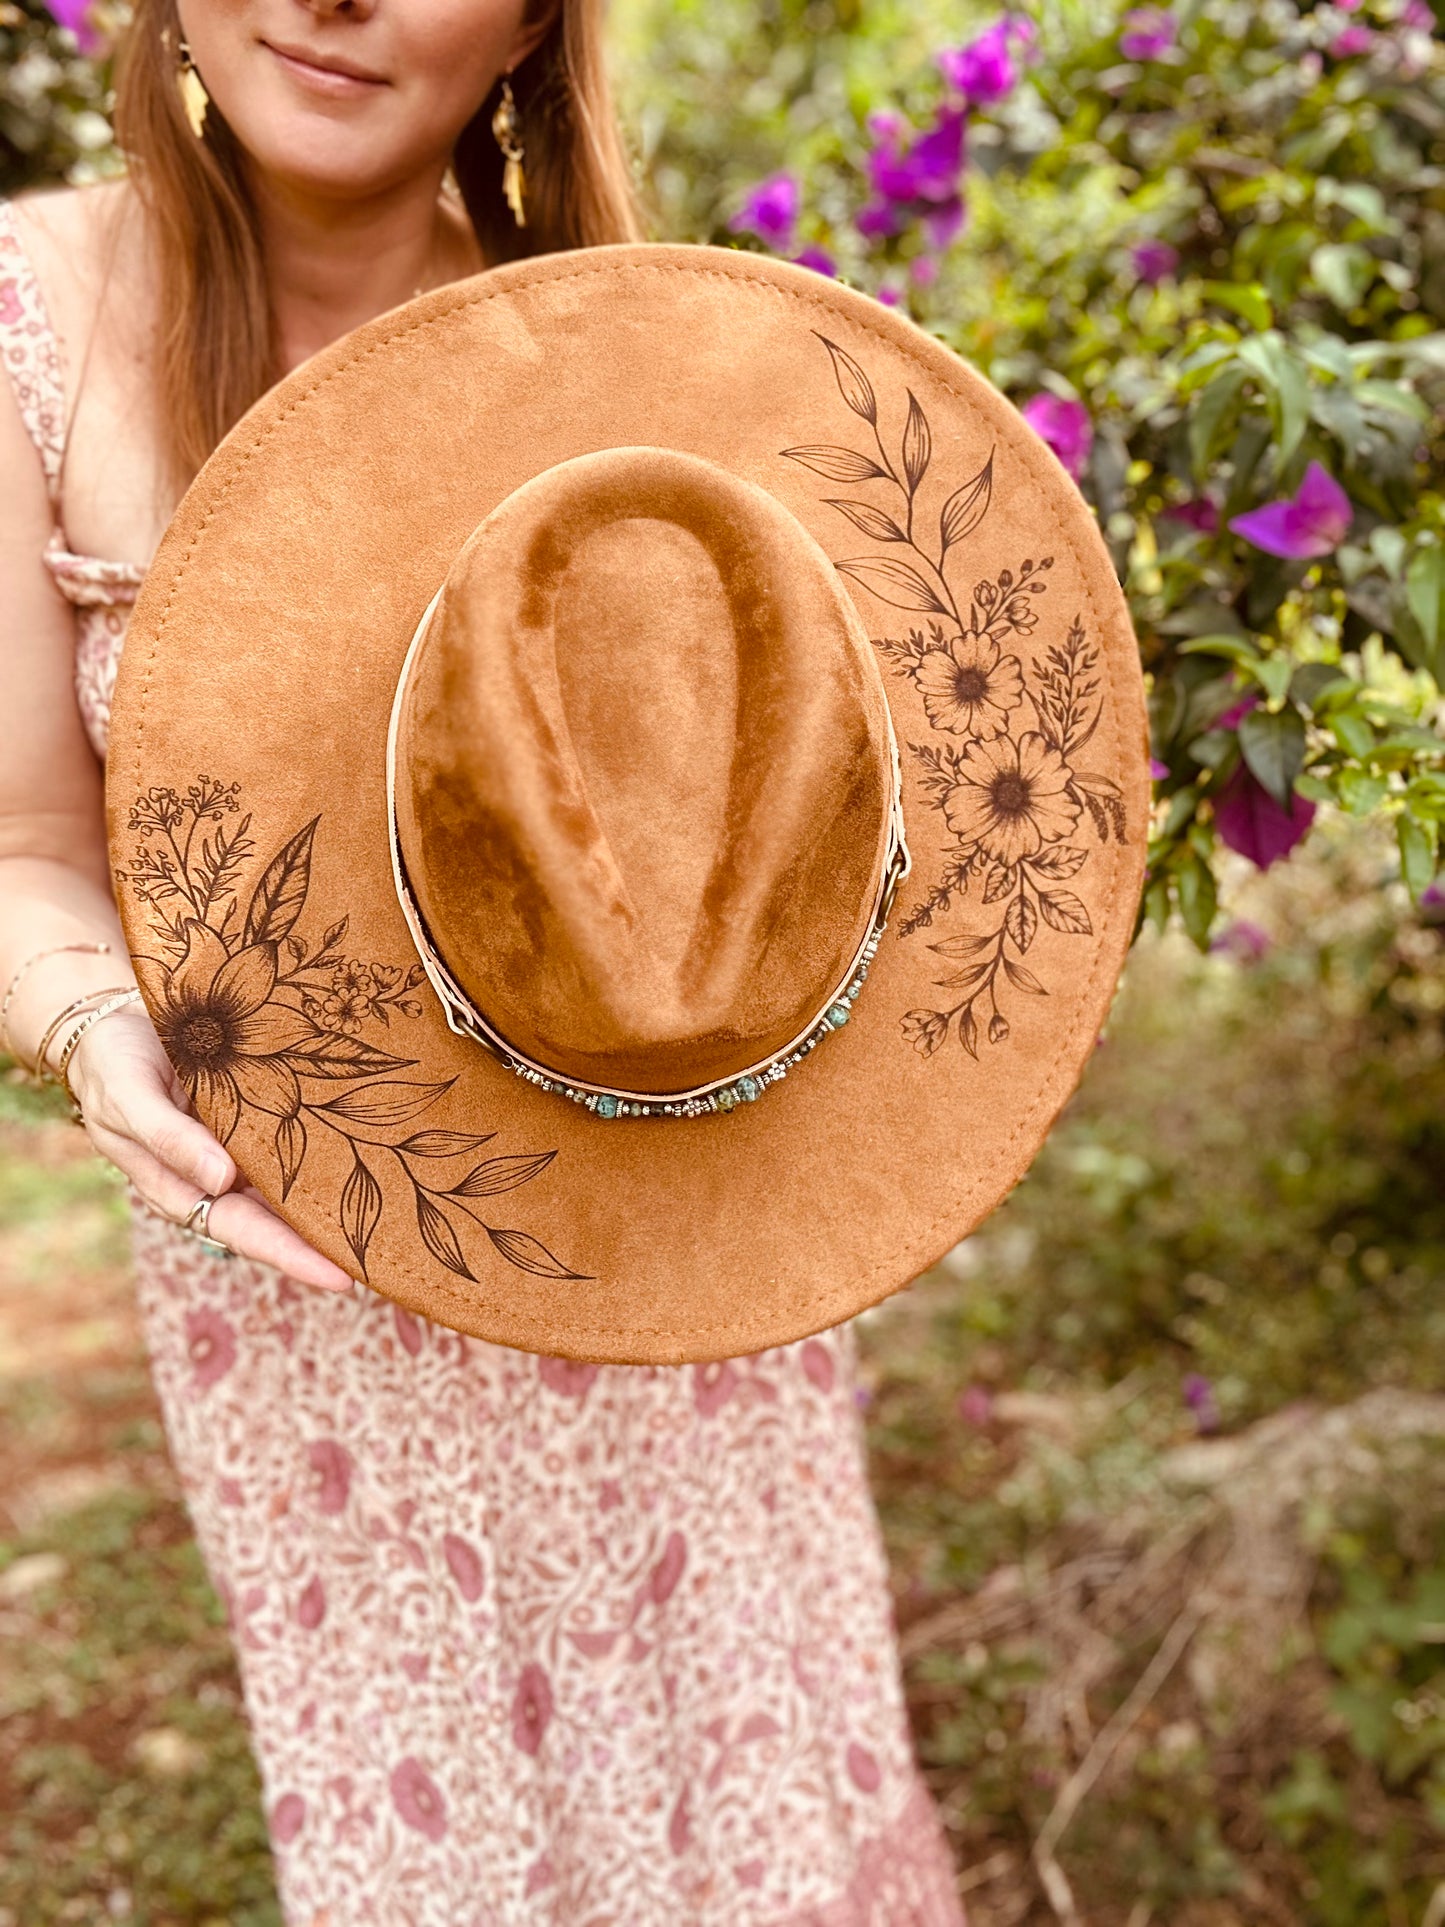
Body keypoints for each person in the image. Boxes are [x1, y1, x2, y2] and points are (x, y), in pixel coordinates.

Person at [0, 3, 965, 1920]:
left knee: (751, 1787)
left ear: (536, 13)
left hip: (683, 1233)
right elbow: (23, 844)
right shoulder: (29, 315)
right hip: (313, 1283)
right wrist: (100, 1031)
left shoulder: (638, 354)